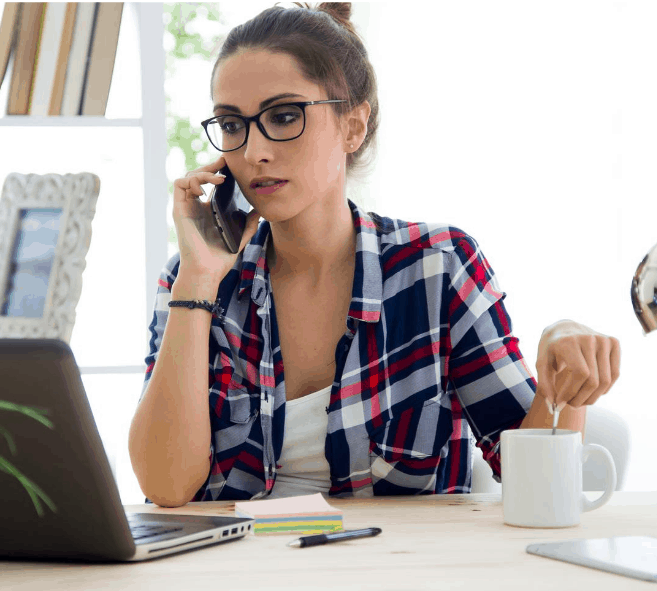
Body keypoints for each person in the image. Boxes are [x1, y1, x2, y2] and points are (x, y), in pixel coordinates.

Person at [128, 2, 620, 508]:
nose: (253, 152)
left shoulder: (437, 266)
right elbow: (165, 486)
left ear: (353, 127)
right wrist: (198, 282)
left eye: (283, 116)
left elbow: (534, 487)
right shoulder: (195, 280)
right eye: (233, 125)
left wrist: (565, 362)